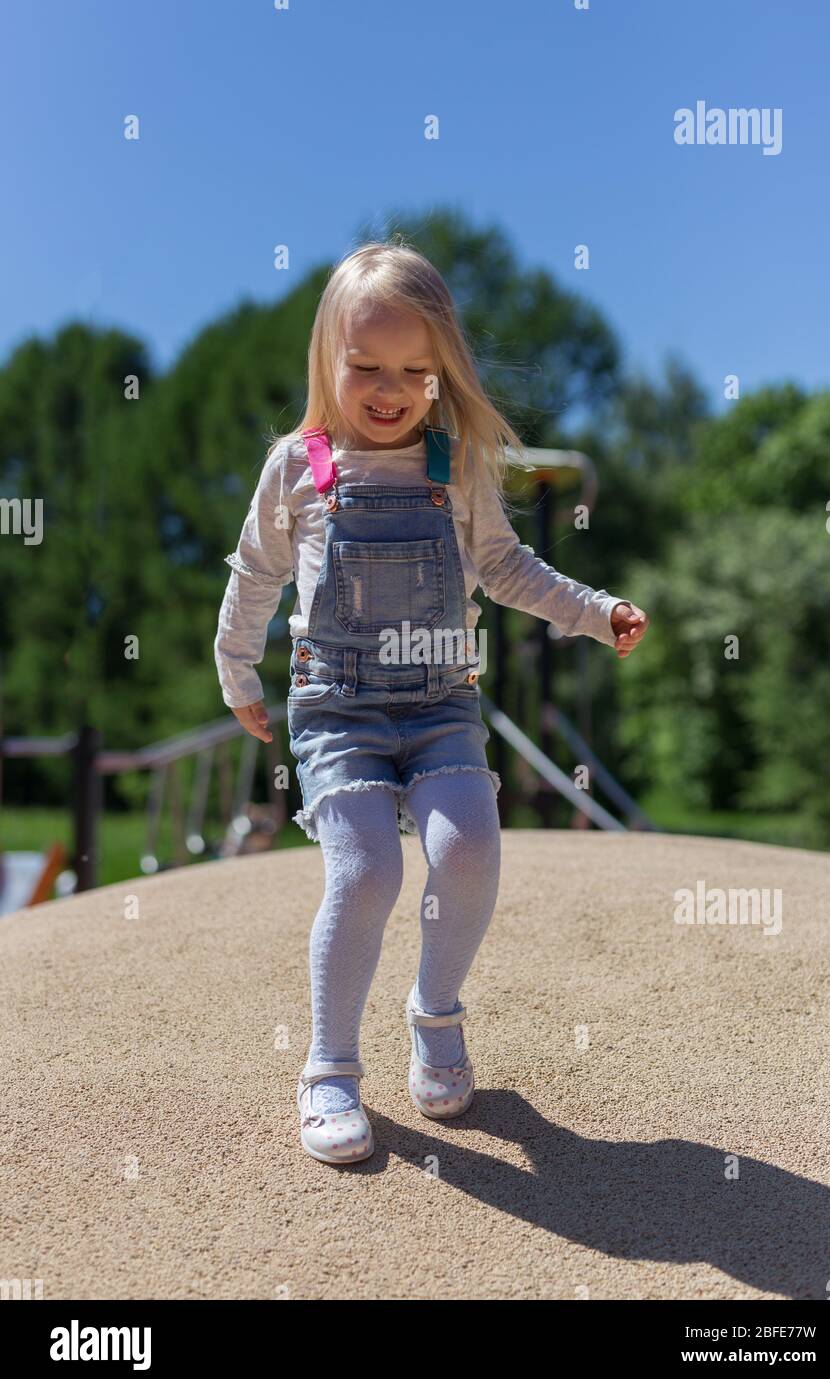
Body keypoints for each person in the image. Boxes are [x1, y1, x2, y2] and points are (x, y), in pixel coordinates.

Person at [214, 241, 649, 1164]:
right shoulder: (299, 465)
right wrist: (237, 675)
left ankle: (435, 1011)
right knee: (367, 871)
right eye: (366, 365)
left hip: (441, 702)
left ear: (443, 369)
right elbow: (256, 574)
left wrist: (589, 609)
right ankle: (329, 1069)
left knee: (470, 847)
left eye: (416, 370)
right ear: (327, 359)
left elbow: (501, 565)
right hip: (336, 707)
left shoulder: (456, 463)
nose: (389, 387)